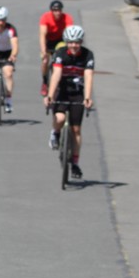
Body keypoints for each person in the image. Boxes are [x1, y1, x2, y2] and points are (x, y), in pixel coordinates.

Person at [43, 24, 94, 179]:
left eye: (77, 42)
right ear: (66, 42)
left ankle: (75, 163)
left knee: (76, 130)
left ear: (81, 42)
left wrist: (87, 97)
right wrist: (50, 95)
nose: (74, 46)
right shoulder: (60, 54)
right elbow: (56, 74)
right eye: (71, 42)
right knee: (60, 118)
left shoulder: (88, 55)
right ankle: (55, 133)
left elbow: (88, 76)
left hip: (77, 93)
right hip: (62, 91)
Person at [37, 0, 73, 96]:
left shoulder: (67, 18)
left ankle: (61, 80)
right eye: (55, 10)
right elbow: (42, 35)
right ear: (51, 11)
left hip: (60, 40)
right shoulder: (45, 17)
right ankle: (45, 82)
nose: (57, 13)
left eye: (59, 10)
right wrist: (43, 51)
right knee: (45, 61)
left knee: (61, 59)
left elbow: (70, 35)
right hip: (48, 40)